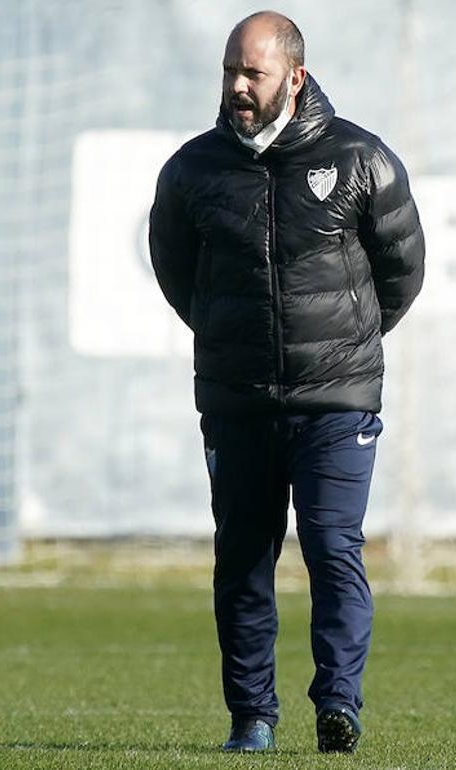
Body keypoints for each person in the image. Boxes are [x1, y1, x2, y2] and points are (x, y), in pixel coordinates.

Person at [148, 9, 425, 755]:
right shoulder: (192, 170)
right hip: (238, 398)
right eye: (231, 71)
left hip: (338, 399)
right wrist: (230, 338)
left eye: (254, 73)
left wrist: (343, 348)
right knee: (242, 557)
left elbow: (402, 272)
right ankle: (252, 719)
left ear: (294, 78)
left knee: (334, 547)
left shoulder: (362, 159)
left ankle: (338, 703)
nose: (238, 86)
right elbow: (176, 273)